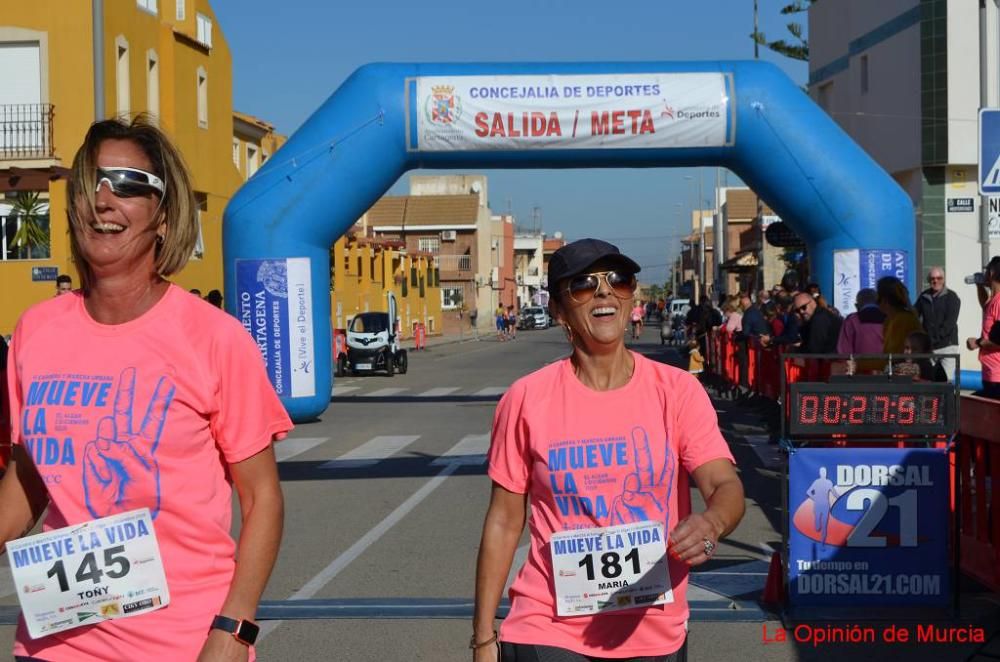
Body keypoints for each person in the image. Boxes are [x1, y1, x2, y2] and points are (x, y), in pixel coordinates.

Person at [0, 116, 292, 661]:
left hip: (183, 644)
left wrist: (234, 631)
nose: (105, 200)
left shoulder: (214, 338)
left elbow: (263, 499)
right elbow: (28, 478)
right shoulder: (35, 332)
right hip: (55, 643)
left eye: (130, 184)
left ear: (163, 215)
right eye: (92, 182)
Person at [473, 238, 745, 662]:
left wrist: (712, 523)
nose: (603, 292)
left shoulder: (677, 391)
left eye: (618, 280)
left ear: (630, 296)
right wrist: (483, 636)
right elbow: (505, 521)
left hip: (653, 631)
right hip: (547, 625)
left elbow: (724, 483)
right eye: (583, 284)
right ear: (560, 310)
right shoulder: (526, 399)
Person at [914, 267, 961, 382]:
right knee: (926, 379)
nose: (936, 281)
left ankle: (948, 400)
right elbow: (914, 314)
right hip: (930, 348)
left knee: (946, 380)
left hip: (947, 346)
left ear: (943, 279)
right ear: (929, 280)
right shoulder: (924, 297)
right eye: (932, 279)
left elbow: (949, 323)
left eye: (939, 278)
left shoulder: (952, 297)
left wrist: (933, 339)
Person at [966, 256, 1000, 399]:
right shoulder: (993, 300)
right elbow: (985, 306)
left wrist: (978, 342)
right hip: (989, 372)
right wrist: (979, 285)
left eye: (986, 271)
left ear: (991, 273)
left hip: (997, 375)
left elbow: (998, 341)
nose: (984, 274)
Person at [836, 288, 885, 373]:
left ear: (857, 305)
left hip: (860, 374)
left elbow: (844, 351)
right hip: (887, 373)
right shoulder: (891, 320)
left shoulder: (851, 320)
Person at [878, 276, 922, 355]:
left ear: (885, 300)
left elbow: (894, 356)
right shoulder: (889, 320)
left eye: (878, 298)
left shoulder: (903, 320)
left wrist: (858, 363)